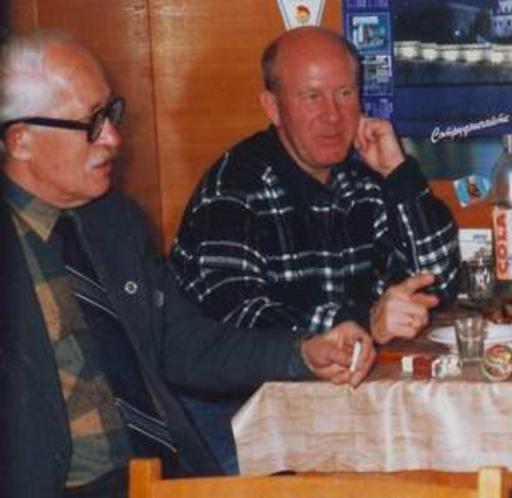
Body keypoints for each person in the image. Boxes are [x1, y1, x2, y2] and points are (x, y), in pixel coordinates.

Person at [0, 30, 376, 498]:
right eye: (91, 123)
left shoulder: (113, 221)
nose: (113, 138)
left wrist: (301, 352)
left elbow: (183, 343)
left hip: (168, 476)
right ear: (21, 141)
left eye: (111, 114)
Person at [167, 26, 459, 472]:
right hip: (232, 414)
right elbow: (238, 318)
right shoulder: (234, 187)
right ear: (273, 107)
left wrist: (398, 173)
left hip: (333, 401)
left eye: (345, 94)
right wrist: (366, 322)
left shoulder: (361, 179)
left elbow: (440, 280)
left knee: (447, 463)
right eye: (311, 97)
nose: (333, 116)